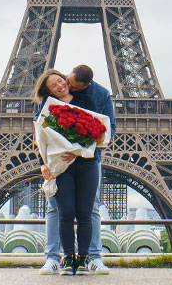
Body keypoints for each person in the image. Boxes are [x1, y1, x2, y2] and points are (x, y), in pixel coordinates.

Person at [38, 64, 115, 275]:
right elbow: (41, 137)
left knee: (87, 212)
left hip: (86, 163)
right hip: (61, 165)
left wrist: (79, 150)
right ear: (50, 89)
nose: (64, 85)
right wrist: (44, 163)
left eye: (64, 82)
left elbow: (102, 130)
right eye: (58, 83)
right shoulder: (48, 104)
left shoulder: (93, 97)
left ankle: (88, 258)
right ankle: (60, 259)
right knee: (62, 212)